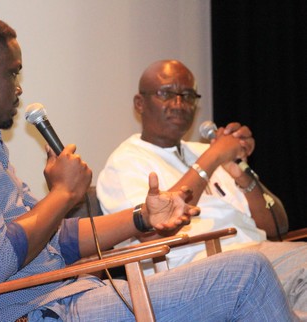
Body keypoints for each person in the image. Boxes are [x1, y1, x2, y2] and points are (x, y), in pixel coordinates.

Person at [0, 12, 297, 322]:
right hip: (41, 311)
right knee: (248, 274)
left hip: (71, 295)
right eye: (12, 72)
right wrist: (64, 195)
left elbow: (58, 240)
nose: (19, 86)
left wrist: (141, 219)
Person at [97, 59, 307, 319]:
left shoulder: (202, 152)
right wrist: (213, 157)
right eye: (166, 94)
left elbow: (278, 226)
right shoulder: (125, 162)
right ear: (140, 103)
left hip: (257, 256)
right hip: (196, 272)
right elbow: (150, 234)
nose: (179, 104)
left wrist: (239, 172)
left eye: (187, 95)